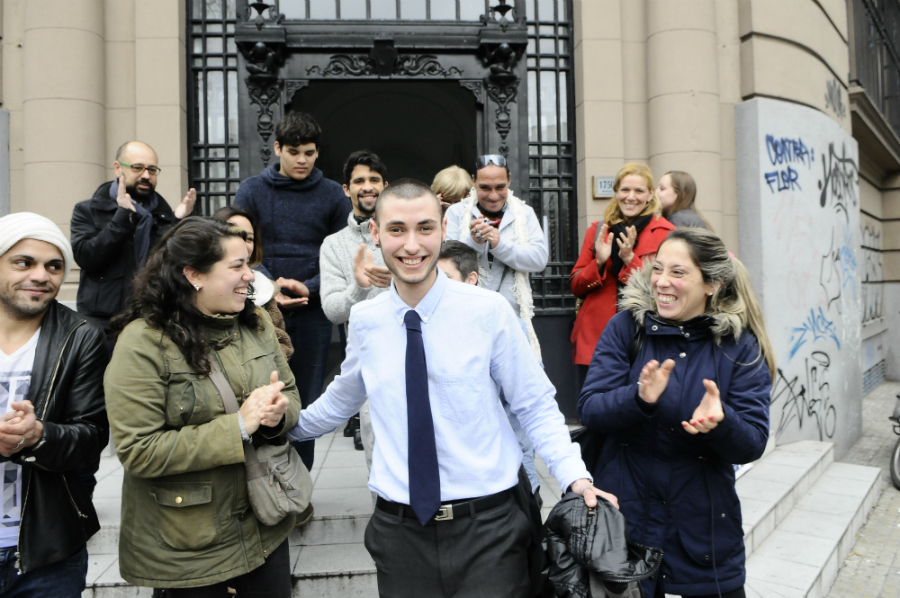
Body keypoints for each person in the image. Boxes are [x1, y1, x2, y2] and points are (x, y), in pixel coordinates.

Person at [288, 179, 615, 598]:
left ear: (443, 229)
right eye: (396, 229)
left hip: (489, 530)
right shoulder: (367, 320)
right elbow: (342, 397)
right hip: (400, 533)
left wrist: (575, 478)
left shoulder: (488, 311)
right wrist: (281, 427)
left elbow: (534, 404)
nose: (411, 245)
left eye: (425, 228)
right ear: (375, 233)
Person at [104, 217, 301, 596]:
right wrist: (238, 426)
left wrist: (277, 415)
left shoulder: (257, 321)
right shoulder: (143, 343)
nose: (250, 275)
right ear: (194, 275)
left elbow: (291, 395)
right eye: (237, 266)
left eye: (249, 263)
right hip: (189, 543)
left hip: (265, 527)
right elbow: (138, 450)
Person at [578, 228, 776, 598]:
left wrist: (722, 421)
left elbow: (752, 444)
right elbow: (590, 409)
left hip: (703, 535)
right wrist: (638, 398)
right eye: (658, 269)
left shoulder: (739, 345)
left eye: (678, 272)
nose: (662, 282)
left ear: (711, 284)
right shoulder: (627, 327)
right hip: (624, 527)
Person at [0, 213, 109, 597]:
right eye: (23, 262)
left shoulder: (81, 337)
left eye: (54, 266)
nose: (41, 275)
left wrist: (38, 435)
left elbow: (92, 435)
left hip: (47, 550)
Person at [234, 111, 350, 471]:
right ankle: (265, 482)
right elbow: (240, 246)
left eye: (310, 153)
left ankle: (300, 485)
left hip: (313, 310)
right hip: (260, 307)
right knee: (261, 393)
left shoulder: (333, 194)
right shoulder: (252, 190)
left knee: (307, 398)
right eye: (294, 152)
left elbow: (341, 252)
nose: (302, 160)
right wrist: (271, 286)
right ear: (277, 148)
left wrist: (309, 287)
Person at [437, 240, 540, 496]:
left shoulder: (501, 322)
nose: (436, 287)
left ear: (471, 279)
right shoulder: (424, 325)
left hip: (503, 469)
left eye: (445, 278)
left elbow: (526, 403)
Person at [71, 141, 197, 341]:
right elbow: (87, 257)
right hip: (104, 325)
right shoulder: (88, 210)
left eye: (152, 170)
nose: (146, 175)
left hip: (154, 321)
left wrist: (176, 222)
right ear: (118, 168)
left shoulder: (164, 216)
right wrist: (122, 217)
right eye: (137, 168)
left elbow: (172, 265)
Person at [570, 162, 674, 390]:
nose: (631, 197)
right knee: (596, 401)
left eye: (639, 191)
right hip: (596, 335)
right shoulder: (598, 230)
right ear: (616, 192)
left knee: (640, 398)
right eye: (625, 189)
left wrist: (629, 259)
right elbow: (576, 285)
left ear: (650, 195)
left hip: (645, 333)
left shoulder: (666, 234)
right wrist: (599, 261)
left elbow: (665, 286)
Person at [321, 150, 392, 453]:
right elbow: (333, 311)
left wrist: (399, 282)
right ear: (346, 189)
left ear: (385, 186)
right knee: (377, 454)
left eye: (374, 180)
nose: (367, 186)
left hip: (417, 354)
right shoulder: (333, 244)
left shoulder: (404, 233)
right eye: (359, 181)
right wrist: (359, 287)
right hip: (368, 362)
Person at [445, 154, 548, 359]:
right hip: (466, 319)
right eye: (485, 187)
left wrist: (499, 245)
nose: (493, 196)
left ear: (509, 180)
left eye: (500, 187)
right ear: (473, 182)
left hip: (513, 321)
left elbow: (539, 259)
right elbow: (446, 264)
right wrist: (473, 242)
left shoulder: (524, 213)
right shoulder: (456, 213)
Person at [212, 205, 293, 360]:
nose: (242, 243)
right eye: (234, 234)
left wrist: (262, 365)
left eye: (249, 238)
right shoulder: (199, 288)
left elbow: (281, 343)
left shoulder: (263, 287)